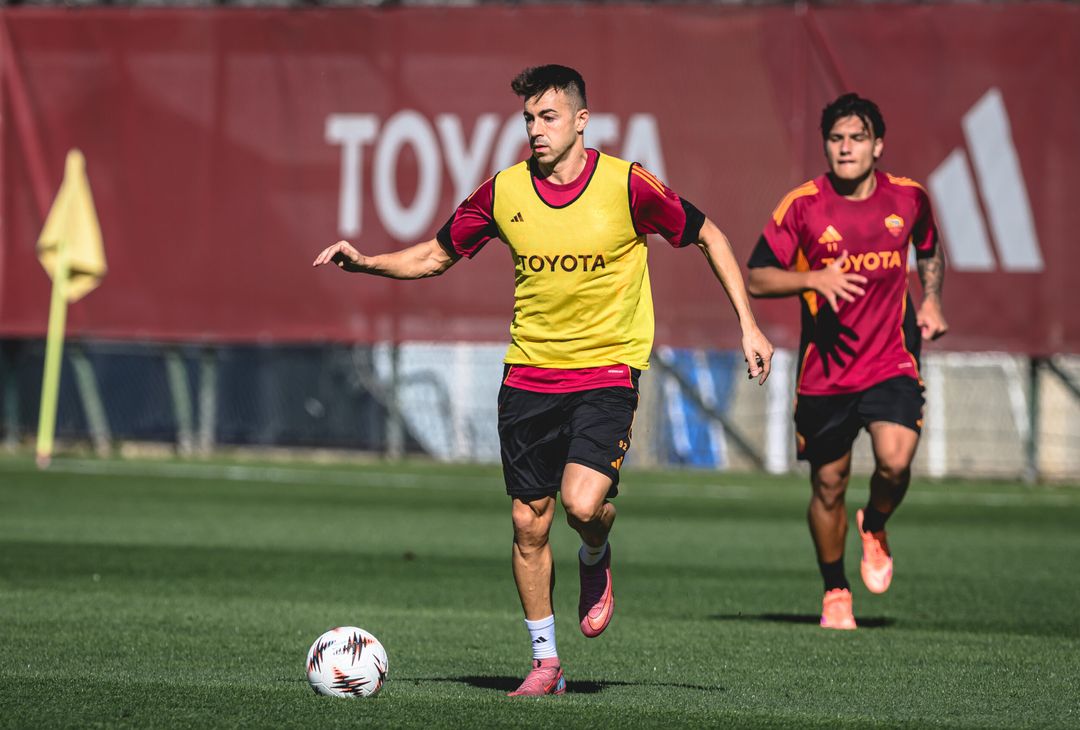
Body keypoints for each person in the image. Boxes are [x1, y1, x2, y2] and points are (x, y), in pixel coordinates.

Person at [314, 64, 774, 693]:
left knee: (583, 505)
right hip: (529, 376)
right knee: (529, 521)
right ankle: (546, 663)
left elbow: (709, 236)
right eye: (529, 118)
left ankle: (595, 550)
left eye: (548, 116)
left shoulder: (627, 185)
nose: (535, 128)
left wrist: (748, 325)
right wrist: (365, 263)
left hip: (607, 370)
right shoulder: (503, 192)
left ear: (582, 121)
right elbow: (434, 255)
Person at [747, 93, 948, 630]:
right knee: (828, 486)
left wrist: (931, 299)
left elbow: (928, 249)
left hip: (891, 361)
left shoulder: (908, 199)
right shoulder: (803, 206)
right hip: (825, 373)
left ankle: (876, 523)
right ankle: (836, 588)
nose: (846, 147)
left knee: (895, 462)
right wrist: (812, 277)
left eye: (857, 138)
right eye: (836, 138)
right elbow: (757, 276)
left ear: (878, 146)